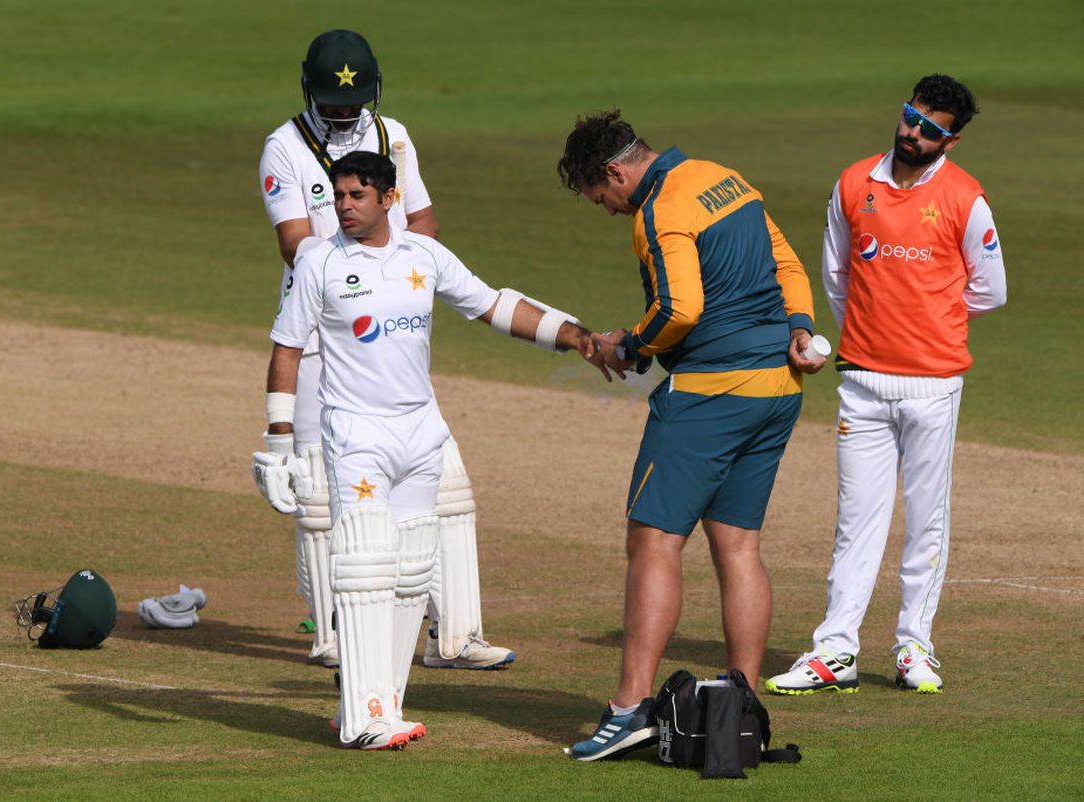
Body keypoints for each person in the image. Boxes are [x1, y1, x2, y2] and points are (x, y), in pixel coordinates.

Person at [253, 151, 592, 749]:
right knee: (364, 566)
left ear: (389, 198)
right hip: (356, 433)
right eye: (338, 196)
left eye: (357, 196)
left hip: (420, 430)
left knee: (412, 572)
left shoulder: (424, 255)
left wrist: (574, 336)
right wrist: (277, 443)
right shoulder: (321, 263)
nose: (344, 207)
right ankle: (362, 720)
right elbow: (286, 348)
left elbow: (491, 304)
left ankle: (378, 704)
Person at [556, 111, 826, 761]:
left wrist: (633, 346)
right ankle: (739, 710)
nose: (609, 210)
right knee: (737, 547)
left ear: (615, 172)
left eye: (602, 197)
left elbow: (681, 308)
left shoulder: (661, 210)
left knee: (652, 541)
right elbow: (786, 260)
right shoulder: (724, 178)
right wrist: (799, 323)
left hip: (713, 393)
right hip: (778, 387)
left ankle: (628, 711)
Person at [257, 29, 513, 670]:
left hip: (390, 332)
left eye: (352, 101)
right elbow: (298, 243)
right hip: (322, 336)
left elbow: (424, 223)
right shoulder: (285, 147)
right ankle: (338, 634)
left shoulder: (392, 134)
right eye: (331, 102)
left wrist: (388, 264)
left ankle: (453, 636)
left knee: (446, 488)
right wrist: (370, 260)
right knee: (321, 497)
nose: (343, 113)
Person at [766, 75, 1006, 697]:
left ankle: (913, 648)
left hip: (933, 385)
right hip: (863, 383)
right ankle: (835, 651)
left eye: (930, 128)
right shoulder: (853, 183)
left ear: (949, 140)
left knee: (926, 521)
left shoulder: (965, 197)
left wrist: (930, 320)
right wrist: (877, 336)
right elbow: (838, 276)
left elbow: (990, 289)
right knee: (856, 523)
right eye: (909, 117)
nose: (912, 132)